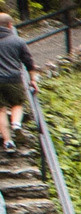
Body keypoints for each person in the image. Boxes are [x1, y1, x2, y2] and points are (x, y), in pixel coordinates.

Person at [0, 12, 34, 154]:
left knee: (1, 110)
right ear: (10, 25)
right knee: (17, 104)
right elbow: (28, 62)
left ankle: (8, 142)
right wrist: (32, 80)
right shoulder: (17, 41)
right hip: (13, 78)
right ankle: (16, 124)